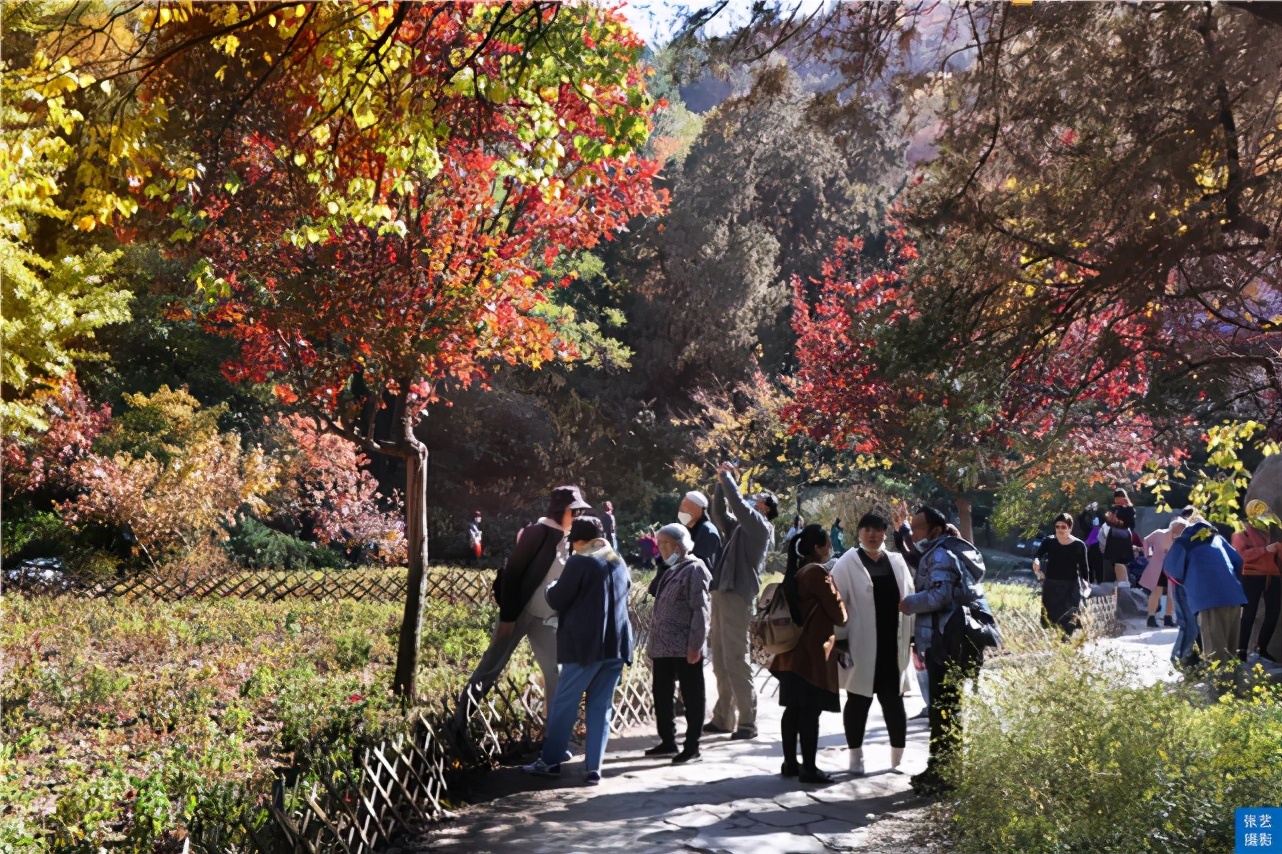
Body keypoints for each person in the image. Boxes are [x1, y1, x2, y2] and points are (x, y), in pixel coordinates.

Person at [454, 485, 591, 732]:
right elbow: (512, 574)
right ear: (562, 510)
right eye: (575, 511)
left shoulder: (568, 539)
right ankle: (458, 722)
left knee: (557, 673)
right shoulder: (537, 533)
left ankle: (555, 734)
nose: (578, 516)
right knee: (491, 667)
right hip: (518, 613)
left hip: (545, 619)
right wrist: (507, 618)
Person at [522, 516, 633, 785]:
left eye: (574, 542)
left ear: (581, 541)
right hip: (616, 645)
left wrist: (550, 588)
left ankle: (551, 761)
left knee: (564, 703)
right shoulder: (617, 561)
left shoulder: (580, 561)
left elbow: (558, 597)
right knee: (600, 707)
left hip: (585, 646)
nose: (573, 547)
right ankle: (594, 768)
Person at [899, 505, 989, 795]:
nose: (915, 534)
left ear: (935, 530)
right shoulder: (939, 551)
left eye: (918, 528)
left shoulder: (940, 554)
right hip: (946, 641)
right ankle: (940, 768)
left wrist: (908, 603)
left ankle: (945, 774)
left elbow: (941, 595)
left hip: (945, 642)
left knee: (945, 709)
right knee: (944, 708)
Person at [830, 512, 914, 775]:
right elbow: (835, 604)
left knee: (894, 701)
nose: (872, 534)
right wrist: (839, 639)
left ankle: (898, 759)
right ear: (859, 533)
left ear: (885, 533)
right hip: (860, 644)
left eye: (877, 529)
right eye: (866, 529)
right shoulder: (846, 563)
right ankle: (855, 758)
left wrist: (912, 638)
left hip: (892, 644)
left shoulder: (897, 562)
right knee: (858, 701)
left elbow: (909, 597)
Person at [769, 524, 847, 783]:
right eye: (828, 545)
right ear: (817, 548)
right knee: (810, 712)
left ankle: (790, 763)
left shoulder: (795, 571)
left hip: (789, 654)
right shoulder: (816, 573)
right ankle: (810, 768)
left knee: (792, 709)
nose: (830, 550)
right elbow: (840, 615)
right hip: (811, 656)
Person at [706, 462, 777, 740]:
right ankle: (723, 717)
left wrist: (727, 478)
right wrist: (719, 486)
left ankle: (747, 721)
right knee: (720, 659)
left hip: (738, 596)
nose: (752, 500)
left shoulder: (760, 527)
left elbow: (737, 505)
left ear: (765, 509)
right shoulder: (738, 529)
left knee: (736, 658)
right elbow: (719, 513)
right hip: (722, 592)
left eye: (758, 499)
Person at [645, 523, 711, 764]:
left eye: (666, 543)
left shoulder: (694, 568)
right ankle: (667, 740)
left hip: (684, 645)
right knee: (661, 693)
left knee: (692, 695)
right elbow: (654, 592)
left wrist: (696, 644)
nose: (661, 548)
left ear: (679, 545)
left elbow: (701, 609)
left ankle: (692, 745)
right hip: (663, 646)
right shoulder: (671, 568)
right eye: (659, 543)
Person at [1163, 515, 1247, 669]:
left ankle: (1215, 685)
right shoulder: (1218, 539)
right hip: (1234, 596)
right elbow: (1238, 561)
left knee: (1215, 655)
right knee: (1231, 653)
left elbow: (1171, 570)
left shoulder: (1183, 542)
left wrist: (1191, 583)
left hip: (1208, 599)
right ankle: (1232, 683)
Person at [1232, 500, 1282, 662]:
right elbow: (1241, 555)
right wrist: (1265, 550)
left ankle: (1261, 648)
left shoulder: (1270, 528)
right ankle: (1241, 651)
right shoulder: (1242, 530)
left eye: (1264, 510)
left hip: (1272, 575)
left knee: (1274, 613)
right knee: (1248, 614)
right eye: (1259, 510)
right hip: (1251, 575)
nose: (1263, 513)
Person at [651, 490, 722, 595]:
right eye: (681, 508)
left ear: (697, 509)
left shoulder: (707, 531)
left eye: (685, 509)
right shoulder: (689, 529)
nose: (681, 512)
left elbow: (700, 566)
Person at [1032, 512, 1090, 636]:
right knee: (1052, 615)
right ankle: (1055, 639)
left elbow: (1084, 567)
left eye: (1063, 527)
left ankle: (1066, 638)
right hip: (1052, 584)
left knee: (1070, 613)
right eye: (1057, 527)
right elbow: (1038, 554)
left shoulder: (1079, 545)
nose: (1060, 530)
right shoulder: (1049, 541)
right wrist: (1036, 561)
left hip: (1071, 585)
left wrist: (1086, 582)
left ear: (1070, 528)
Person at [1141, 519, 1181, 629]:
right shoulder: (1159, 533)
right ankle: (1151, 617)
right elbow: (1146, 541)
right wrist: (1148, 554)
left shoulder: (1180, 539)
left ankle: (1168, 617)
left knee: (1171, 593)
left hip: (1171, 568)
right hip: (1158, 567)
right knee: (1156, 591)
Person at [1099, 488, 1139, 587]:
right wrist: (1111, 518)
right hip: (1113, 537)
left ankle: (1123, 588)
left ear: (1124, 497)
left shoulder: (1129, 509)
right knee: (1109, 566)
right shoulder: (1114, 508)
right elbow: (1108, 522)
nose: (1116, 500)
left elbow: (1131, 525)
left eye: (1118, 497)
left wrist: (1118, 521)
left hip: (1123, 538)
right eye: (1115, 498)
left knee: (1122, 566)